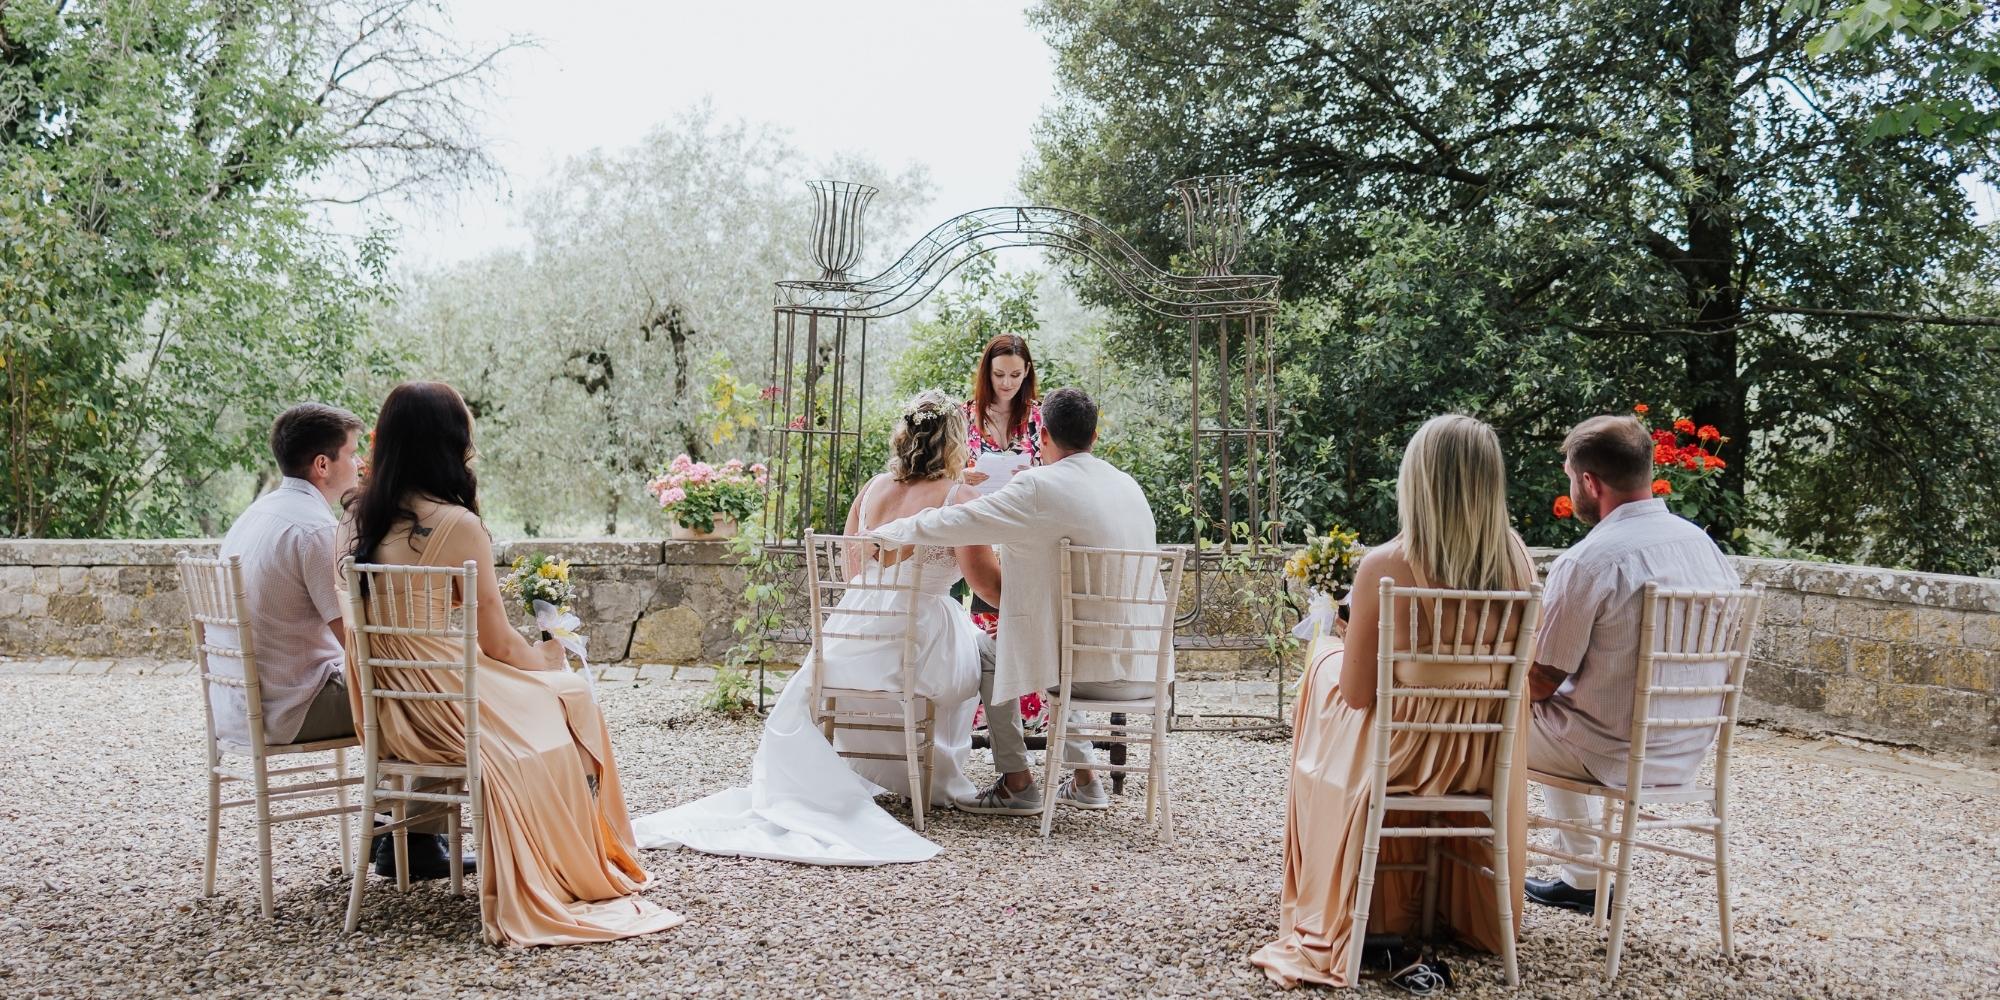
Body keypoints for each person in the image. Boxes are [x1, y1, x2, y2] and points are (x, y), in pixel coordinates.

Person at [336, 381, 680, 947]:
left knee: (553, 700)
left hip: (388, 703)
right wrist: (544, 658)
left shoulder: (354, 520)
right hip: (442, 700)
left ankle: (560, 847)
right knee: (566, 698)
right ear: (449, 444)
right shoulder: (456, 524)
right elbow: (495, 642)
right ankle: (578, 860)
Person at [632, 391, 999, 865]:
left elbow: (852, 573)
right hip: (916, 637)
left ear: (905, 436)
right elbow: (985, 586)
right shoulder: (959, 498)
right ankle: (956, 778)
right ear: (954, 441)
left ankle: (892, 773)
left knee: (955, 643)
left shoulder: (873, 490)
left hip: (852, 637)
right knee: (978, 649)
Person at [1250, 414, 1536, 989]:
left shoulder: (1386, 565)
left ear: (1417, 482)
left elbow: (1358, 695)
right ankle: (1436, 903)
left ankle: (1353, 899)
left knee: (1325, 668)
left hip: (1402, 756)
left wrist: (1327, 652)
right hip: (1479, 755)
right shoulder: (1521, 564)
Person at [869, 387, 1165, 816]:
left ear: (1041, 435)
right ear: (1095, 437)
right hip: (1143, 666)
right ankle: (1086, 781)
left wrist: (891, 533)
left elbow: (958, 520)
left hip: (1082, 672)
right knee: (1057, 643)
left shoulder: (1039, 485)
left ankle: (1017, 782)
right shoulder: (1128, 486)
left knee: (992, 651)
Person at [1522, 415, 1740, 914]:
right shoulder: (1704, 548)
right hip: (1685, 745)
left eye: (1568, 477)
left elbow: (1539, 682)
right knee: (1561, 713)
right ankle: (1581, 880)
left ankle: (1462, 883)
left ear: (1588, 482)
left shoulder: (1590, 560)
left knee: (1482, 718)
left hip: (1608, 751)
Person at [213, 403, 365, 751]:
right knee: (424, 697)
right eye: (352, 453)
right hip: (292, 710)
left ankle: (394, 796)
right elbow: (356, 644)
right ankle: (403, 803)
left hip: (235, 708)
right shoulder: (315, 531)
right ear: (322, 465)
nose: (359, 464)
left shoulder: (254, 515)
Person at [958, 334, 1047, 731]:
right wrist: (964, 475)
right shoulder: (966, 416)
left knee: (1026, 610)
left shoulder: (1039, 417)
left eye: (1014, 374)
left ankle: (1033, 704)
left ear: (1027, 372)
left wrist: (1037, 475)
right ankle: (989, 707)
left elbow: (1060, 470)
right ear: (986, 374)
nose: (1007, 383)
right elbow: (946, 472)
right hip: (980, 521)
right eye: (999, 375)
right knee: (988, 608)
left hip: (1025, 524)